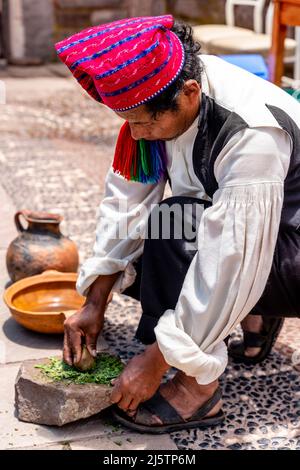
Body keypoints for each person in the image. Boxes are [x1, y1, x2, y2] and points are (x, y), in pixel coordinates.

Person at [56, 15, 300, 433]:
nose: (135, 133)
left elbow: (235, 259)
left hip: (288, 250)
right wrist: (95, 302)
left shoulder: (251, 132)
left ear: (189, 94)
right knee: (159, 231)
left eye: (146, 122)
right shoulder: (162, 93)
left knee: (177, 227)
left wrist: (156, 361)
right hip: (257, 231)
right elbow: (125, 205)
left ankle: (197, 390)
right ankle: (247, 318)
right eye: (128, 120)